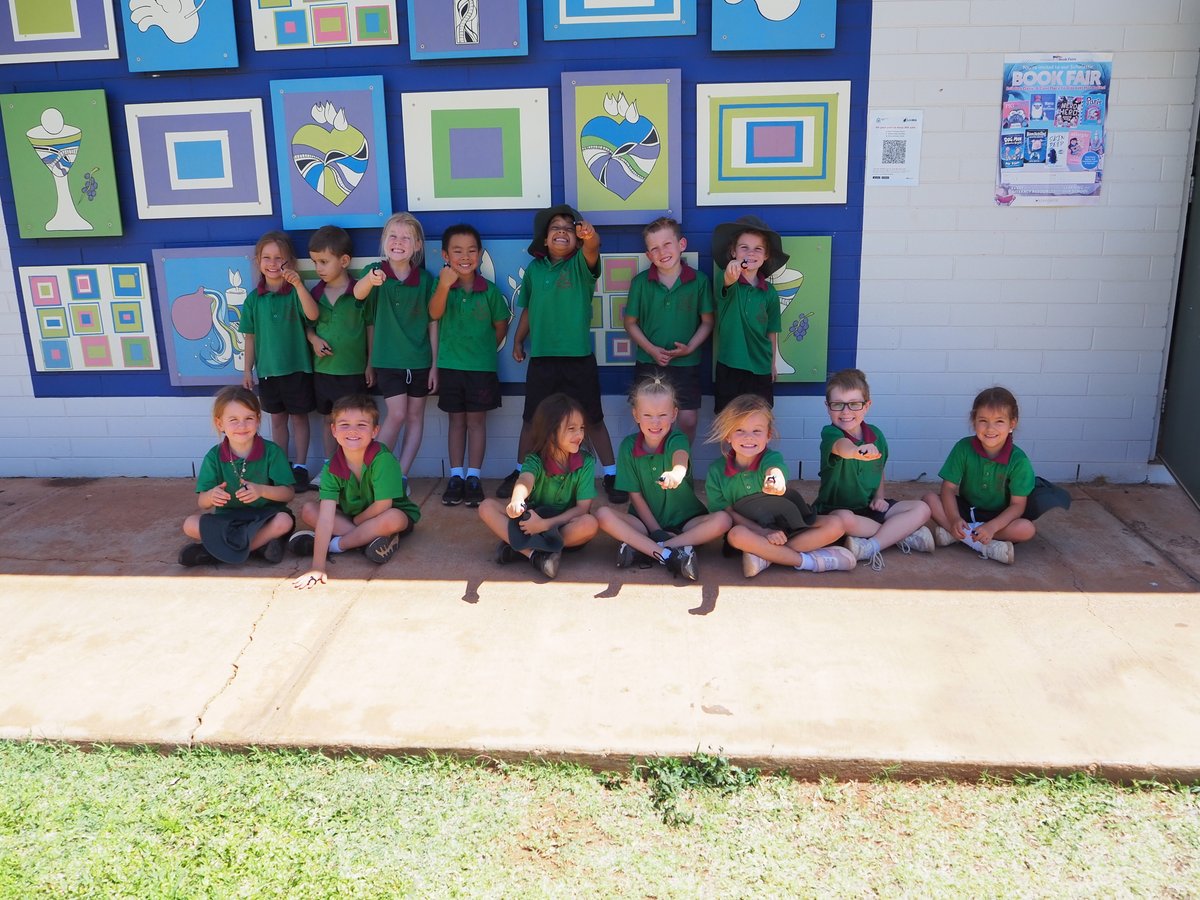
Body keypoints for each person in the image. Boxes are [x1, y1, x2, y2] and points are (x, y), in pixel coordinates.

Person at [499, 204, 624, 504]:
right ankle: (519, 471)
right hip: (542, 359)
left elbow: (593, 248)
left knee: (592, 418)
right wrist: (518, 340)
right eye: (555, 227)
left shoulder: (581, 265)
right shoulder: (534, 270)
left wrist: (590, 236)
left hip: (578, 358)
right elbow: (529, 309)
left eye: (569, 229)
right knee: (531, 419)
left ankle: (611, 473)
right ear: (544, 239)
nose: (562, 232)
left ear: (577, 239)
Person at [594, 375, 730, 582]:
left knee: (723, 520)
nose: (655, 422)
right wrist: (656, 531)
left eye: (662, 415)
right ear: (636, 415)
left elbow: (680, 459)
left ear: (674, 414)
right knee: (602, 514)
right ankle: (670, 554)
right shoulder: (627, 447)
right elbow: (636, 497)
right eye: (647, 415)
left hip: (685, 522)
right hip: (644, 523)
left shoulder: (677, 439)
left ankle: (647, 548)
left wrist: (676, 473)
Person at [706, 393, 855, 578]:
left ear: (768, 435)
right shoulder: (716, 471)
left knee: (836, 525)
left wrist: (775, 479)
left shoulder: (771, 459)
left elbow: (774, 471)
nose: (748, 438)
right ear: (728, 435)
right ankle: (808, 562)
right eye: (739, 430)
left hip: (787, 527)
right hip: (751, 533)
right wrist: (763, 532)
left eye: (757, 431)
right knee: (735, 535)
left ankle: (765, 557)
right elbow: (727, 513)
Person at [921, 386, 1068, 565]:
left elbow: (1017, 506)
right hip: (968, 510)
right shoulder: (963, 448)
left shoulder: (1019, 461)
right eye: (983, 420)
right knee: (929, 499)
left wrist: (992, 527)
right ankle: (975, 540)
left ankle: (958, 535)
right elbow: (948, 488)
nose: (990, 429)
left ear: (1012, 424)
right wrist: (954, 519)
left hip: (1000, 517)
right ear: (974, 421)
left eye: (999, 421)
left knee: (1026, 529)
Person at [290, 394, 421, 588]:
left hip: (384, 515)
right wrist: (317, 567)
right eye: (344, 424)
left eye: (361, 424)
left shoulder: (383, 459)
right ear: (333, 430)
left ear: (375, 431)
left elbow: (383, 505)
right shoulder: (332, 467)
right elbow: (326, 518)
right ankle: (370, 541)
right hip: (353, 518)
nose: (353, 430)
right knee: (310, 510)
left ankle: (336, 546)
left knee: (393, 518)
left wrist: (356, 523)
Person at [814, 368, 935, 571]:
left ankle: (871, 546)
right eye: (837, 405)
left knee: (922, 509)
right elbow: (842, 448)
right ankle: (900, 534)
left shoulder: (876, 435)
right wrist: (857, 451)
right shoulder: (830, 433)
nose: (846, 412)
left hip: (869, 509)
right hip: (838, 510)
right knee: (842, 520)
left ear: (867, 405)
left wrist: (880, 497)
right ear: (827, 407)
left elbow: (878, 469)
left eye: (854, 404)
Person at [428, 224, 510, 508]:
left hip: (481, 369)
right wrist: (443, 284)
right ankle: (456, 476)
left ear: (480, 254)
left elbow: (501, 326)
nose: (465, 256)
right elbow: (434, 313)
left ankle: (474, 476)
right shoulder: (442, 288)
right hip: (450, 366)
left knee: (476, 423)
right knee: (456, 422)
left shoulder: (488, 291)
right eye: (457, 251)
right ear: (445, 255)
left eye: (471, 250)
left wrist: (484, 350)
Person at [477, 393, 599, 579]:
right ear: (550, 431)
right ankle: (535, 556)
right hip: (531, 521)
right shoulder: (535, 459)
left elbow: (583, 508)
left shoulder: (586, 462)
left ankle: (519, 547)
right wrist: (516, 500)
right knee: (486, 507)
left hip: (562, 525)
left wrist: (544, 525)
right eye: (571, 429)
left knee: (590, 524)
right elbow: (525, 480)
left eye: (581, 428)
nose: (579, 435)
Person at [354, 212, 436, 478]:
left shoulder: (425, 280)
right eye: (393, 236)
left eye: (406, 237)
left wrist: (435, 365)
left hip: (420, 360)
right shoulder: (375, 273)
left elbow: (433, 323)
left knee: (415, 417)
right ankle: (375, 472)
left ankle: (400, 475)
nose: (398, 242)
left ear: (417, 245)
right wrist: (370, 281)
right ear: (384, 241)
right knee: (397, 414)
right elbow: (357, 293)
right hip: (388, 360)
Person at [179, 386, 296, 567]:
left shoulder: (272, 452)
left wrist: (262, 490)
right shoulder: (214, 456)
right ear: (220, 424)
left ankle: (214, 554)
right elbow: (202, 502)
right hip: (228, 520)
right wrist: (211, 496)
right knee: (190, 524)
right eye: (233, 420)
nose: (242, 426)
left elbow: (288, 494)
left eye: (248, 418)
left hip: (264, 517)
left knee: (284, 521)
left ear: (258, 420)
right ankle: (257, 548)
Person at [623, 216, 714, 446]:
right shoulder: (641, 283)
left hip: (687, 363)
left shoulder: (699, 281)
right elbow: (630, 323)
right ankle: (653, 466)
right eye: (654, 248)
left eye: (667, 244)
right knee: (651, 421)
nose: (662, 252)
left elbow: (707, 322)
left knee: (688, 419)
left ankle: (681, 466)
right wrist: (652, 350)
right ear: (648, 255)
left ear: (681, 245)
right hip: (649, 361)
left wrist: (690, 347)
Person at [240, 230, 320, 487]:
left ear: (290, 263)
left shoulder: (297, 292)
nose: (273, 264)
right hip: (268, 371)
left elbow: (313, 316)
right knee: (277, 420)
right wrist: (247, 371)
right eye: (267, 258)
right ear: (258, 261)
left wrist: (297, 285)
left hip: (297, 368)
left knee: (299, 418)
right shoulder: (254, 300)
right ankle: (280, 465)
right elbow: (250, 338)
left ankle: (301, 466)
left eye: (279, 258)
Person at [306, 225, 373, 470]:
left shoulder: (358, 294)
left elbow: (369, 328)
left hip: (353, 372)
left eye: (324, 261)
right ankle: (328, 467)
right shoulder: (315, 293)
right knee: (329, 422)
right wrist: (313, 339)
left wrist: (369, 363)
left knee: (355, 423)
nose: (318, 268)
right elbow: (307, 324)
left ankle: (355, 468)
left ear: (344, 260)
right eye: (315, 262)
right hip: (324, 371)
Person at [709, 215, 784, 414]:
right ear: (733, 252)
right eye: (744, 247)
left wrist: (772, 364)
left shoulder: (769, 292)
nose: (751, 253)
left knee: (760, 419)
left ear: (766, 255)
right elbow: (727, 282)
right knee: (728, 423)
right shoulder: (725, 279)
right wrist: (730, 274)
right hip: (730, 364)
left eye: (758, 248)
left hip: (761, 367)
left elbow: (772, 330)